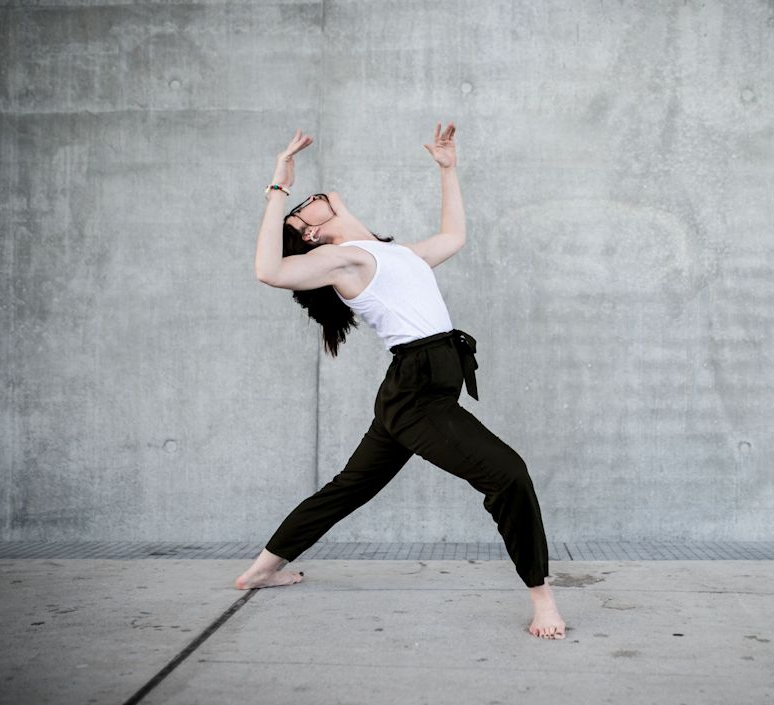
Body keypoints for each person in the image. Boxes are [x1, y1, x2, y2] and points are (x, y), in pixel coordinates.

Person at [234, 124, 566, 640]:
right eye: (306, 208)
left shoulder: (395, 253)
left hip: (417, 388)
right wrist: (279, 187)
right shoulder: (342, 260)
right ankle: (542, 600)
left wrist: (448, 170)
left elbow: (454, 237)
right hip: (417, 393)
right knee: (508, 474)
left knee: (349, 488)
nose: (315, 199)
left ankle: (261, 570)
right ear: (312, 235)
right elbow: (269, 271)